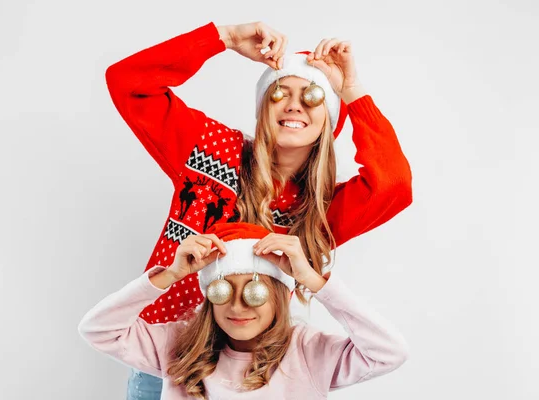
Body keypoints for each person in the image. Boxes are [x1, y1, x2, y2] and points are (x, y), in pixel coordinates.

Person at [103, 21, 412, 398]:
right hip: (167, 358)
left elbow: (393, 184)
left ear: (329, 117)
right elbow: (128, 82)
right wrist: (224, 39)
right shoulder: (210, 148)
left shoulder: (320, 211)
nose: (295, 105)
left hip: (261, 372)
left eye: (313, 95)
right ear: (262, 105)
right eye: (280, 92)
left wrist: (351, 91)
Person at [79, 222, 409, 399]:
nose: (238, 306)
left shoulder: (308, 353)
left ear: (281, 295)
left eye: (255, 292)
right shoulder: (178, 348)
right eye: (222, 291)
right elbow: (97, 329)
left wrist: (313, 280)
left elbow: (388, 352)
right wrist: (171, 275)